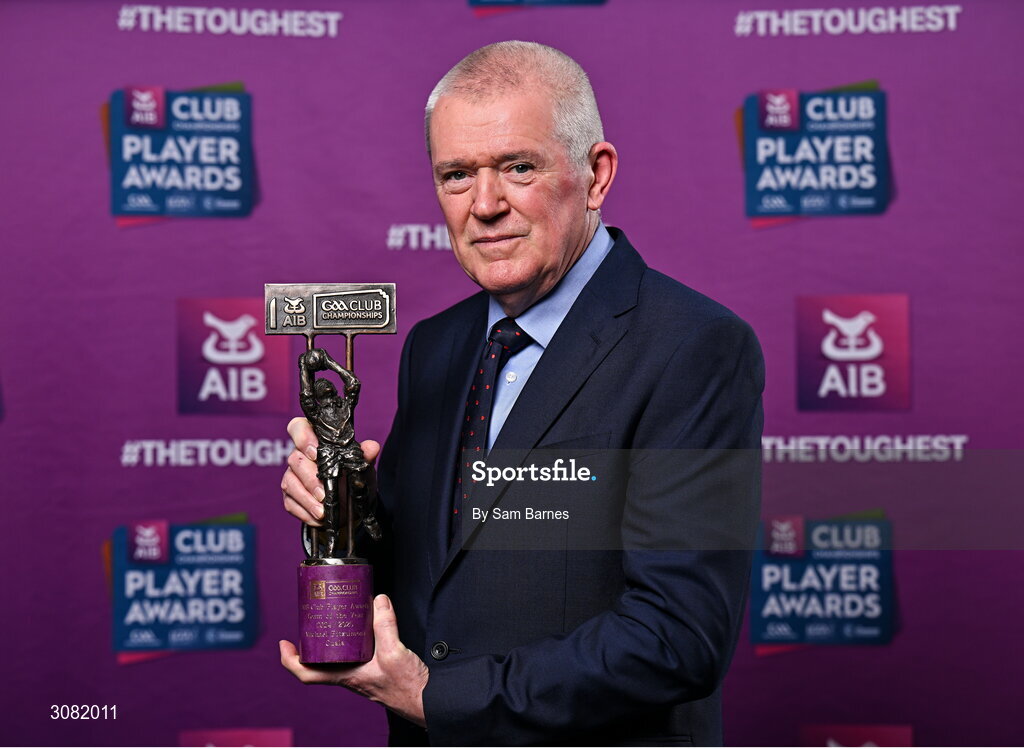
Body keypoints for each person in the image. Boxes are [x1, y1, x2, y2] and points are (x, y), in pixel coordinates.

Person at [279, 41, 764, 746]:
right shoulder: (434, 345)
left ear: (595, 175)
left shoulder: (694, 346)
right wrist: (348, 509)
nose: (485, 204)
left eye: (518, 167)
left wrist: (437, 695)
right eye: (455, 174)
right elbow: (438, 576)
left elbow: (677, 636)